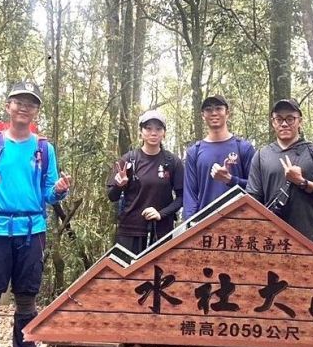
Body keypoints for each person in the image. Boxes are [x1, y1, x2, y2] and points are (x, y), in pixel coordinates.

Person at [0, 81, 71, 347]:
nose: (24, 107)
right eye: (19, 102)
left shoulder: (43, 149)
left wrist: (60, 190)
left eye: (31, 103)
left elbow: (49, 193)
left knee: (27, 298)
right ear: (8, 106)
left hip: (32, 230)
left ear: (36, 111)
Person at [246, 98, 313, 245]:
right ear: (273, 122)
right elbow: (254, 198)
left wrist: (302, 182)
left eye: (290, 118)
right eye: (279, 119)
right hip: (270, 239)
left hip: (307, 237)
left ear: (299, 121)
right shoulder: (261, 155)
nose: (284, 123)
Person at [107, 110, 184, 255]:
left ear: (164, 133)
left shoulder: (173, 162)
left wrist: (161, 214)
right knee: (127, 276)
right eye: (148, 128)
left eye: (158, 129)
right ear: (141, 132)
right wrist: (120, 185)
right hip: (130, 232)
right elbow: (112, 196)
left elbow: (182, 197)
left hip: (161, 232)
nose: (153, 133)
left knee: (158, 277)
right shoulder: (128, 160)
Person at [182, 95, 254, 219]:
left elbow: (255, 189)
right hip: (205, 224)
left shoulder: (243, 148)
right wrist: (190, 225)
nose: (214, 113)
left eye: (219, 108)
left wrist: (230, 179)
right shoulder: (194, 151)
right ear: (202, 115)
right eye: (209, 109)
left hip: (240, 223)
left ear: (227, 113)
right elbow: (190, 195)